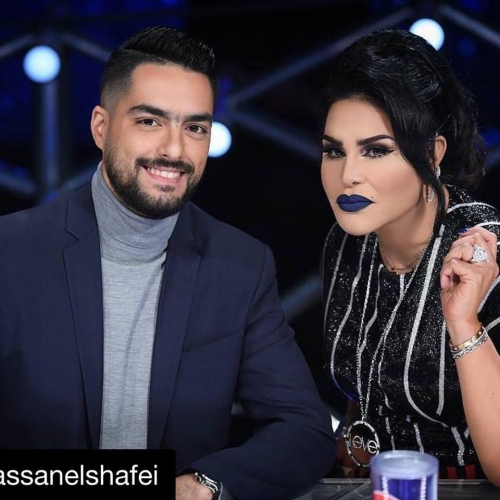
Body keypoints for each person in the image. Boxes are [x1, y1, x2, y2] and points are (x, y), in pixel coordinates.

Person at [0, 26, 337, 499]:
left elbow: (305, 429)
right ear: (101, 127)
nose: (175, 150)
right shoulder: (10, 252)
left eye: (195, 128)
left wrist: (203, 485)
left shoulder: (240, 265)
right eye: (150, 121)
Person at [319, 28, 500, 485]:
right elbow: (366, 385)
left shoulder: (484, 253)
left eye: (376, 150)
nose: (348, 175)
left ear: (432, 154)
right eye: (334, 151)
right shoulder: (345, 241)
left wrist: (463, 323)